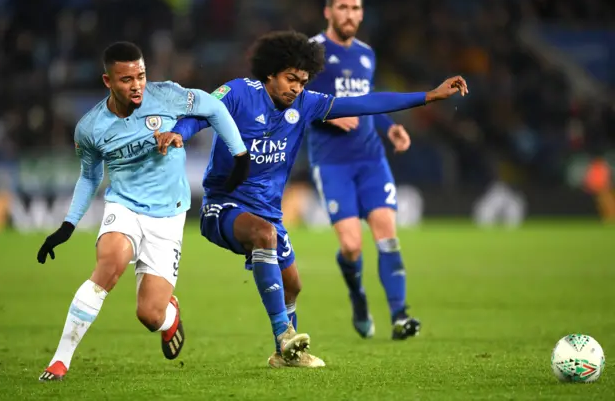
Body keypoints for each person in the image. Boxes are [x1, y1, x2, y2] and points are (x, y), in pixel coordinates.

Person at [155, 30, 468, 368]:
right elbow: (201, 114)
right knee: (264, 235)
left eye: (303, 81)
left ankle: (287, 356)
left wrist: (429, 96)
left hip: (268, 212)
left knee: (293, 285)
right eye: (291, 79)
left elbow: (365, 103)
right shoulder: (238, 92)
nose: (297, 87)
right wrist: (179, 134)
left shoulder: (305, 104)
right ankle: (284, 335)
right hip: (223, 205)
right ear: (271, 72)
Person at [35, 41, 249, 381]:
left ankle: (169, 316)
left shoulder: (166, 95)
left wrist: (240, 155)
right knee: (109, 264)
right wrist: (67, 226)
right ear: (108, 81)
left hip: (169, 215)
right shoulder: (90, 128)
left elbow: (215, 108)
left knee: (150, 314)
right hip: (125, 206)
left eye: (141, 76)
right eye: (126, 79)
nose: (136, 85)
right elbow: (90, 177)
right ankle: (60, 361)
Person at [306, 0, 419, 340]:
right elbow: (291, 99)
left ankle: (400, 317)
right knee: (352, 246)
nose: (350, 15)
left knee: (387, 233)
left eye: (356, 8)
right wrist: (328, 113)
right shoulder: (311, 52)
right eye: (343, 8)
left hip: (371, 158)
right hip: (332, 162)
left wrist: (390, 127)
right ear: (328, 11)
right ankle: (358, 298)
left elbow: (367, 101)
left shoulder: (367, 54)